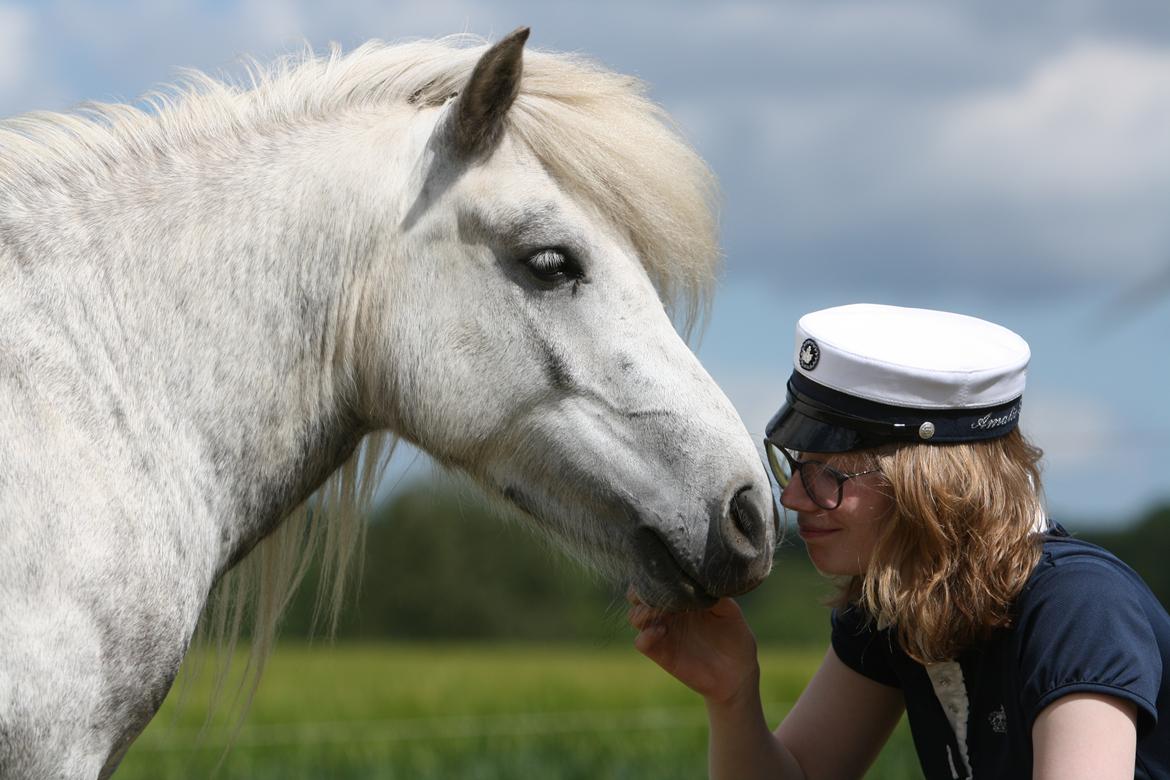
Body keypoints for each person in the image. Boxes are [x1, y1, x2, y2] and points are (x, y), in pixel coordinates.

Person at [629, 303, 1170, 780]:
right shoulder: (896, 604)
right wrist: (733, 695)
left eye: (826, 474)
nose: (792, 498)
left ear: (931, 487)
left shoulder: (1079, 610)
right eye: (795, 467)